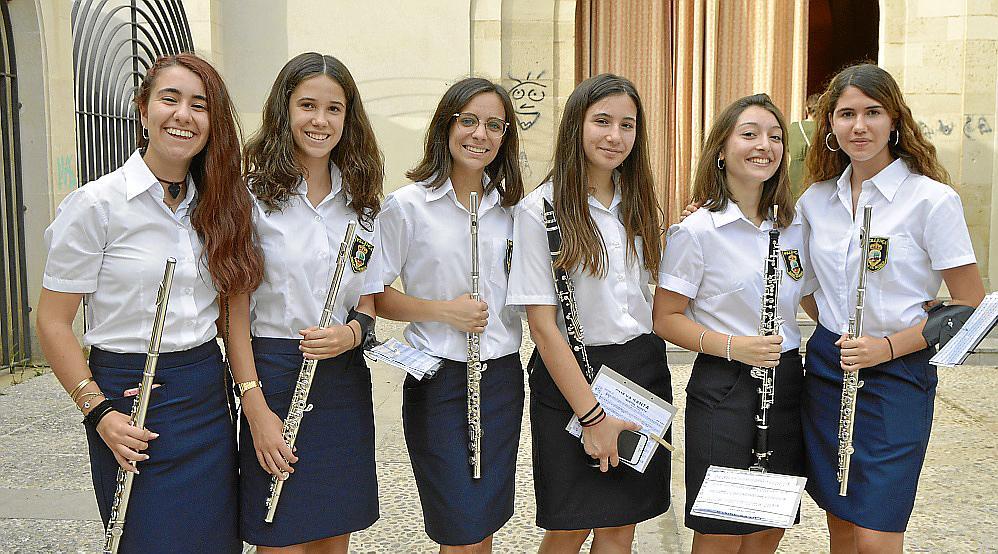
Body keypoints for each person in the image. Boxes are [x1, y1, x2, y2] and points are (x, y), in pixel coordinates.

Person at [36, 53, 263, 553]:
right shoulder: (96, 205)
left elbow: (229, 313)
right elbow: (52, 321)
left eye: (199, 105)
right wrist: (98, 412)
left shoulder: (220, 205)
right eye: (170, 99)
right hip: (127, 397)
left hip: (204, 396)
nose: (183, 115)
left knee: (214, 543)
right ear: (143, 110)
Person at [798, 63, 984, 553]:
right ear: (830, 125)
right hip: (829, 367)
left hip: (899, 374)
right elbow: (805, 287)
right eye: (846, 114)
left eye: (873, 112)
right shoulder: (815, 201)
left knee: (877, 531)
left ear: (895, 120)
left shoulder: (931, 200)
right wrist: (836, 329)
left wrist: (887, 346)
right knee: (840, 518)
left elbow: (970, 302)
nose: (859, 126)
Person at [507, 73, 671, 554]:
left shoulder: (637, 200)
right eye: (602, 121)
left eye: (627, 125)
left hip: (641, 375)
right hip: (574, 376)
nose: (615, 136)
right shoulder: (539, 209)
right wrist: (593, 417)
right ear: (576, 125)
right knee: (570, 526)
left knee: (621, 525)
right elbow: (543, 328)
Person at [229, 52, 384, 552]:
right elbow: (233, 316)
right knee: (277, 534)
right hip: (273, 375)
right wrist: (255, 409)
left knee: (333, 534)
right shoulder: (250, 198)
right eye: (308, 106)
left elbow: (368, 301)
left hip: (342, 380)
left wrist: (352, 334)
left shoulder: (362, 201)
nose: (321, 120)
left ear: (348, 117)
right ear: (285, 109)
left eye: (334, 109)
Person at [654, 93, 812, 553]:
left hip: (785, 382)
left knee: (767, 528)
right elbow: (665, 318)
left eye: (775, 137)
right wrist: (733, 346)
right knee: (721, 532)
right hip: (724, 385)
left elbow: (813, 298)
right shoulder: (696, 230)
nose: (764, 145)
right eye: (749, 134)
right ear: (721, 150)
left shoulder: (794, 227)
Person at [374, 77, 524, 553]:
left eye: (495, 125)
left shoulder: (514, 210)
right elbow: (375, 296)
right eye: (469, 121)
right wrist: (444, 312)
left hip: (501, 379)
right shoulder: (407, 206)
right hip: (437, 381)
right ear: (447, 125)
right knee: (458, 522)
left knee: (484, 520)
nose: (481, 134)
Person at [787, 93, 821, 198]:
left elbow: (787, 149)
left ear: (806, 109)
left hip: (794, 175)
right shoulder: (822, 129)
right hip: (815, 175)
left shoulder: (794, 127)